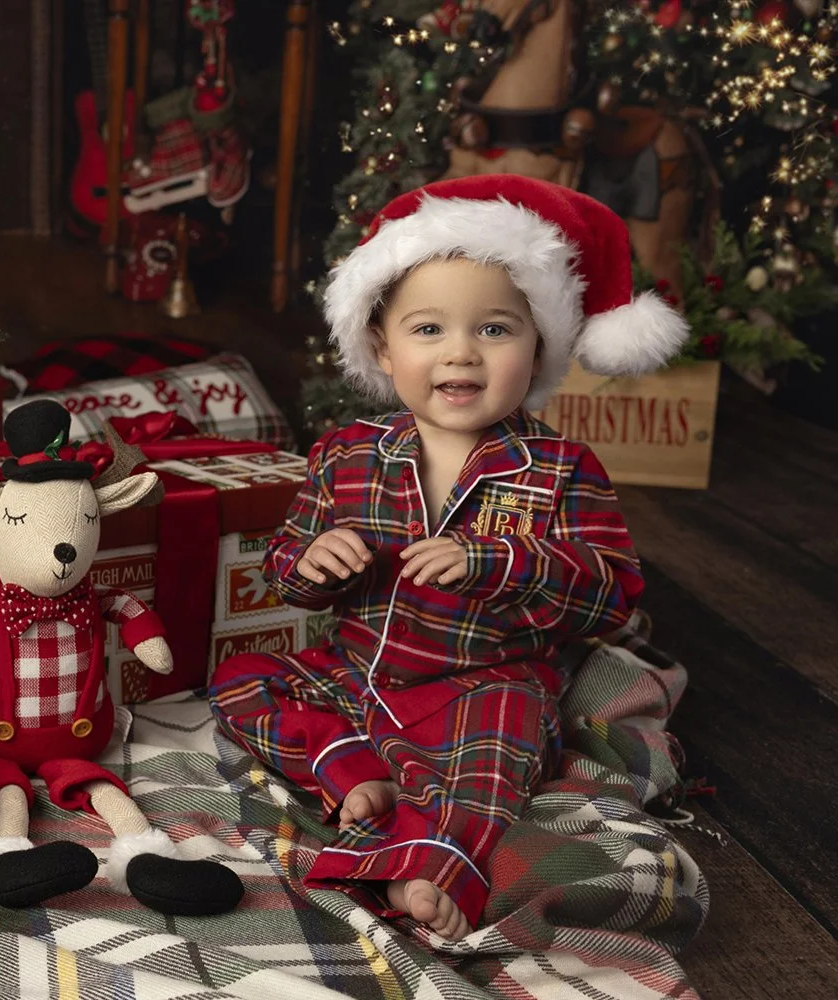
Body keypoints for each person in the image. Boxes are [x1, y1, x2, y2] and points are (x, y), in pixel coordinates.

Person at [208, 175, 687, 938]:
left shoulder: (559, 469)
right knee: (240, 681)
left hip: (483, 683)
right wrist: (312, 559)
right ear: (382, 348)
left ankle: (432, 863)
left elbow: (611, 593)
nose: (460, 352)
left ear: (540, 347)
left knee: (498, 756)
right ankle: (350, 765)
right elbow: (286, 565)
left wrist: (498, 562)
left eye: (495, 329)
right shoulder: (347, 454)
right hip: (358, 672)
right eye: (428, 329)